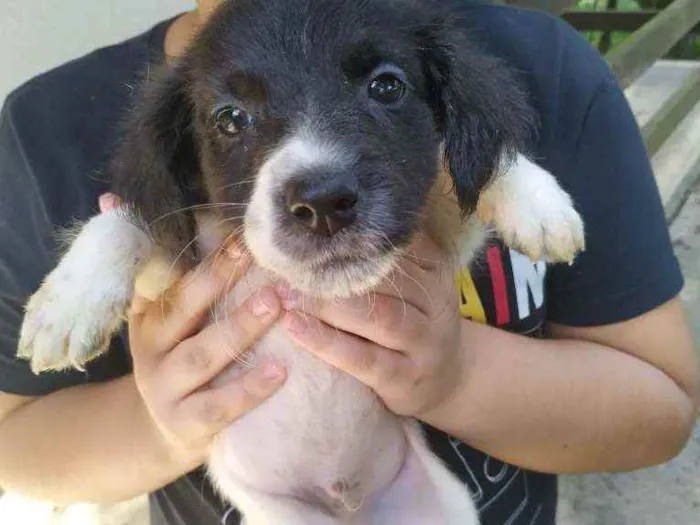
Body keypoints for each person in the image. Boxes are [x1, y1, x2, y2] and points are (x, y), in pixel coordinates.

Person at [0, 1, 697, 524]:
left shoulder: (540, 68)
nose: (319, 186)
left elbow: (665, 406)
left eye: (385, 87)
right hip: (265, 497)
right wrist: (155, 421)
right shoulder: (51, 133)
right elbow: (18, 441)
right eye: (233, 120)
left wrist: (460, 372)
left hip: (410, 482)